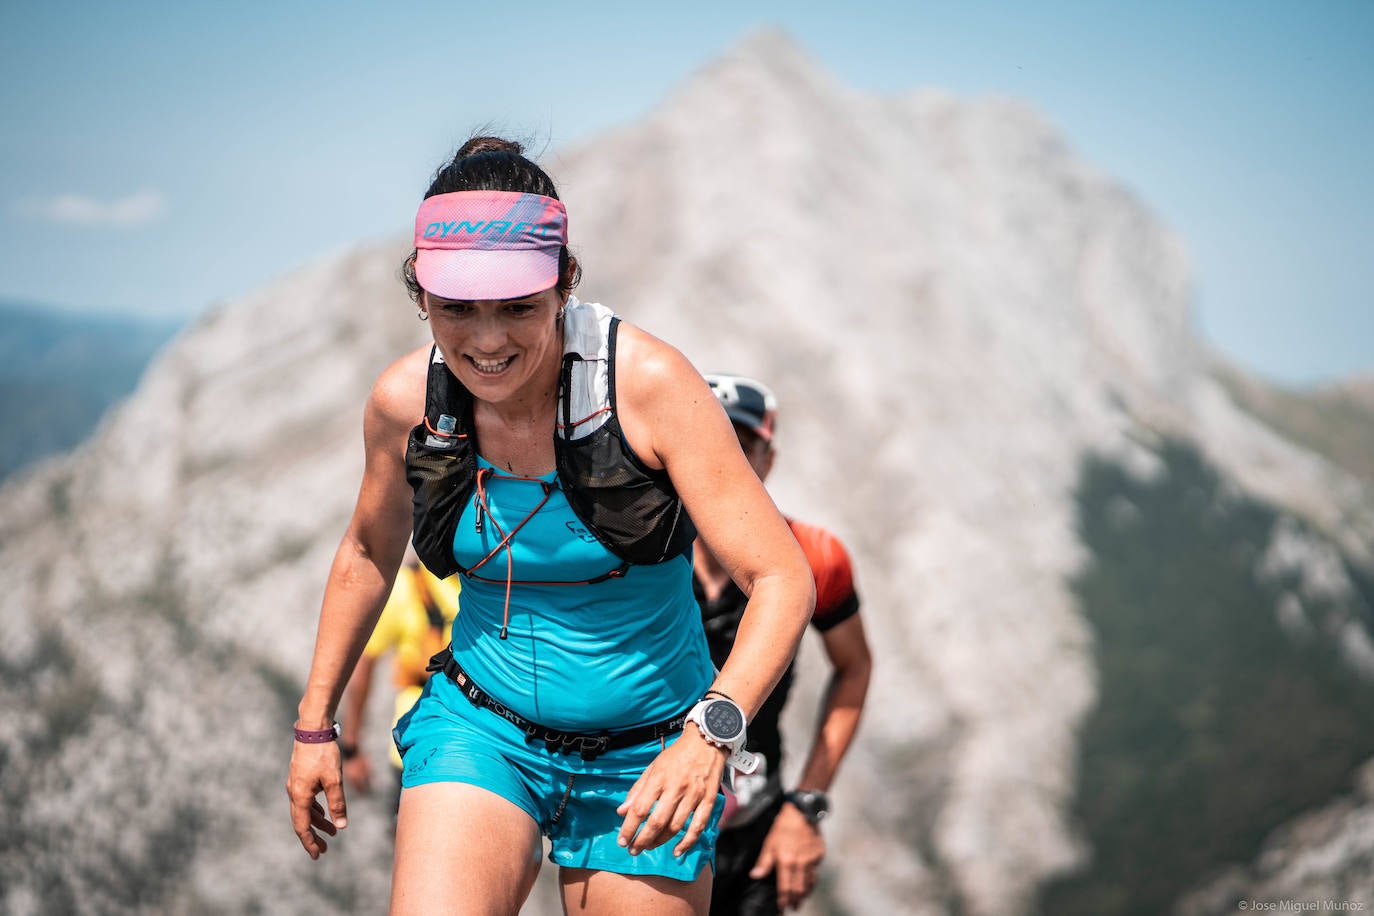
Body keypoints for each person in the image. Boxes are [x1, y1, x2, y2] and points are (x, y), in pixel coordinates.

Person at [285, 135, 815, 916]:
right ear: (420, 293)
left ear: (564, 284)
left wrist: (711, 735)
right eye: (456, 308)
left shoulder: (648, 388)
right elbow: (367, 552)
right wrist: (315, 726)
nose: (487, 341)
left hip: (654, 752)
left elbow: (781, 577)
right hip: (481, 729)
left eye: (518, 307)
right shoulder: (407, 403)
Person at [697, 374, 872, 916]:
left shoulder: (814, 556)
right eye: (710, 441)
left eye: (743, 446)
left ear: (768, 459)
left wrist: (806, 803)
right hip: (645, 824)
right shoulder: (631, 555)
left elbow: (854, 667)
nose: (725, 461)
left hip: (755, 833)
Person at [338, 549, 460, 815]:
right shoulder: (406, 587)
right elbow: (365, 663)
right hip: (420, 744)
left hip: (465, 743)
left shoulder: (490, 585)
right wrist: (351, 747)